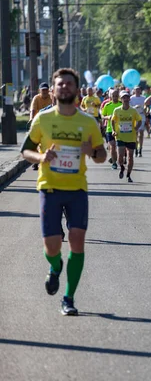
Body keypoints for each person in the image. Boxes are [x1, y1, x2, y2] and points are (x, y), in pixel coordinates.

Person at [20, 68, 107, 315]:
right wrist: (41, 156)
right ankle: (55, 266)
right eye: (60, 84)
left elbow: (102, 156)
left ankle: (68, 298)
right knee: (52, 246)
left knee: (77, 241)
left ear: (77, 90)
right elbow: (25, 151)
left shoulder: (88, 122)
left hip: (77, 189)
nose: (64, 87)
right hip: (49, 188)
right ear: (54, 90)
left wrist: (92, 151)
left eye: (69, 84)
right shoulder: (43, 120)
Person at [111, 90, 143, 182]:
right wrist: (113, 130)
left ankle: (128, 175)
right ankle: (121, 167)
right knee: (120, 156)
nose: (125, 99)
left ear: (129, 99)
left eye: (127, 97)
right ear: (121, 99)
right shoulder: (117, 110)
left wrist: (136, 128)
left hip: (131, 137)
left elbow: (139, 120)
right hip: (120, 136)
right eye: (123, 98)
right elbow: (113, 121)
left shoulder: (133, 111)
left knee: (130, 157)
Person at [101, 89, 122, 169]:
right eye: (113, 96)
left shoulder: (121, 104)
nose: (115, 97)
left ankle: (117, 159)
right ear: (111, 96)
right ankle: (114, 163)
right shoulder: (107, 105)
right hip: (110, 129)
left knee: (119, 147)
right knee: (113, 146)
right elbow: (102, 116)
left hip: (120, 129)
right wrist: (108, 117)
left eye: (116, 96)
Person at [129, 86, 147, 158]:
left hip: (142, 116)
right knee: (135, 133)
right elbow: (129, 107)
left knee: (141, 133)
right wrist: (135, 107)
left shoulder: (143, 98)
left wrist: (144, 109)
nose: (137, 91)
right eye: (136, 90)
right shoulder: (131, 98)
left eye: (138, 90)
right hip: (134, 117)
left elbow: (146, 106)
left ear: (140, 90)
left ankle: (140, 149)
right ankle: (135, 148)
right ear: (134, 91)